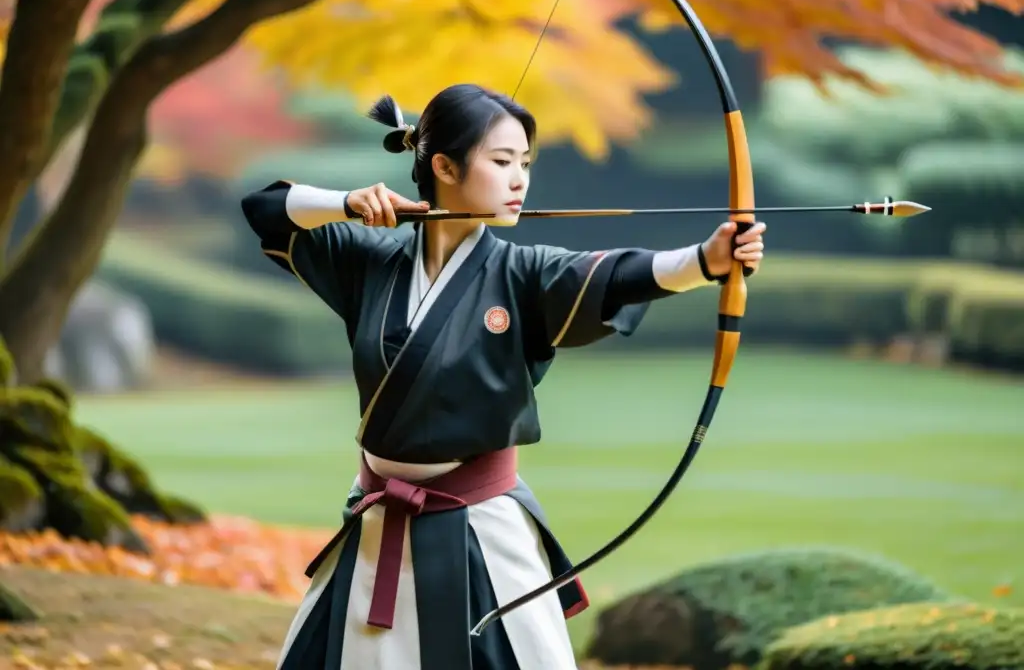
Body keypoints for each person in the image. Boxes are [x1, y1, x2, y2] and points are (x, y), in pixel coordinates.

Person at [240, 83, 767, 670]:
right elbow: (266, 210)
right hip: (377, 528)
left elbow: (617, 275)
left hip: (481, 533)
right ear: (443, 165)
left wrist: (705, 261)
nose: (520, 180)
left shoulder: (523, 273)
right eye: (501, 162)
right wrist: (347, 202)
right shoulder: (370, 263)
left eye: (525, 164)